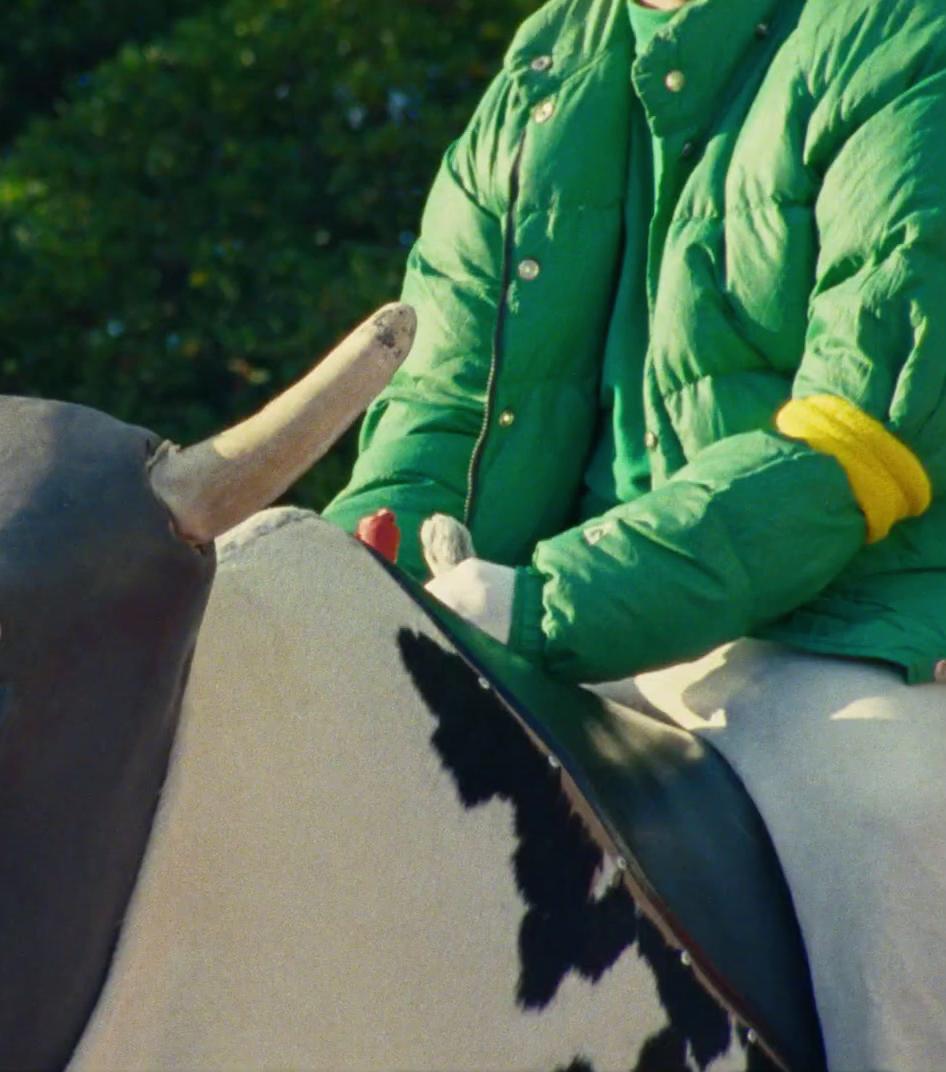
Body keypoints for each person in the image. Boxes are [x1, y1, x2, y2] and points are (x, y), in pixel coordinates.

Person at [321, 0, 946, 1066]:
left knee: (894, 824)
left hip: (844, 630)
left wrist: (555, 603)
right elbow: (444, 405)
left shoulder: (900, 28)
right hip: (552, 625)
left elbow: (865, 432)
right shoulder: (544, 65)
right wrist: (343, 587)